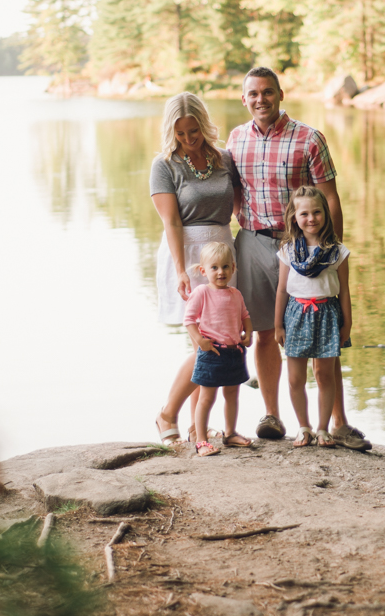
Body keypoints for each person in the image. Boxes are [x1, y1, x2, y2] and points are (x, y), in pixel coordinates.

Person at [227, 66, 370, 450]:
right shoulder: (236, 139)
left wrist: (330, 251)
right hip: (254, 243)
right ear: (244, 99)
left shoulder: (308, 138)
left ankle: (337, 422)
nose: (261, 100)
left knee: (325, 332)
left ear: (281, 94)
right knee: (264, 332)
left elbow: (331, 197)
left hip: (305, 247)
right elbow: (237, 191)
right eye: (253, 93)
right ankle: (272, 416)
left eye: (268, 92)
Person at [151, 92, 241, 445]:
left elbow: (237, 205)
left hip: (221, 250)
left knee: (214, 337)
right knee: (204, 342)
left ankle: (193, 428)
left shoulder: (223, 159)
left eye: (194, 131)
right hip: (187, 253)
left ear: (204, 125)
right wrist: (182, 270)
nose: (188, 139)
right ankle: (167, 415)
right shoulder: (164, 165)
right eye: (181, 133)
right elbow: (171, 223)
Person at [274, 187, 352, 447]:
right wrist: (278, 325)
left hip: (327, 314)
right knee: (296, 377)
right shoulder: (288, 250)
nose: (311, 218)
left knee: (324, 375)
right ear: (294, 217)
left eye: (317, 212)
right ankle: (303, 427)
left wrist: (347, 324)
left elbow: (344, 290)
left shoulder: (337, 251)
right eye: (304, 213)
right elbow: (282, 289)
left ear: (325, 214)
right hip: (296, 314)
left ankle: (322, 429)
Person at [184, 242, 254, 456]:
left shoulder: (235, 294)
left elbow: (245, 316)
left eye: (225, 266)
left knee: (232, 394)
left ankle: (230, 433)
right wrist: (200, 341)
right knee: (207, 397)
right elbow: (189, 320)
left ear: (233, 268)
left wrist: (248, 334)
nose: (220, 272)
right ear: (203, 271)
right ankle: (201, 440)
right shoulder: (201, 293)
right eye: (214, 268)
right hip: (212, 352)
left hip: (234, 352)